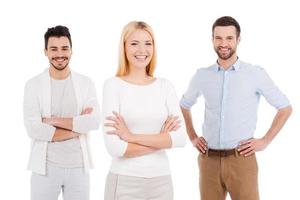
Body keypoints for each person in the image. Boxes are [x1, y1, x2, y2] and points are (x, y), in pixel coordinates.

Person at [180, 16, 292, 200]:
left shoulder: (255, 74)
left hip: (241, 160)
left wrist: (265, 141)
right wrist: (192, 136)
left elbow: (285, 107)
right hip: (208, 161)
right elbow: (184, 105)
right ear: (212, 40)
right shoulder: (202, 75)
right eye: (218, 38)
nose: (223, 44)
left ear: (238, 39)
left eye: (229, 38)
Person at [102, 21, 186, 200]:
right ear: (124, 47)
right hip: (125, 181)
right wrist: (162, 140)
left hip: (162, 181)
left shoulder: (165, 86)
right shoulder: (113, 86)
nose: (142, 50)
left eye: (148, 43)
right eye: (134, 43)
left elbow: (180, 138)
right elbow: (115, 147)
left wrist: (131, 137)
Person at [23, 25, 100, 200]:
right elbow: (34, 129)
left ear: (72, 51)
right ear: (45, 51)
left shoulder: (86, 83)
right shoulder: (33, 85)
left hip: (79, 168)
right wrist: (77, 128)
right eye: (54, 49)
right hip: (45, 169)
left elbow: (94, 121)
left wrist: (52, 121)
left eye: (65, 48)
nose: (60, 54)